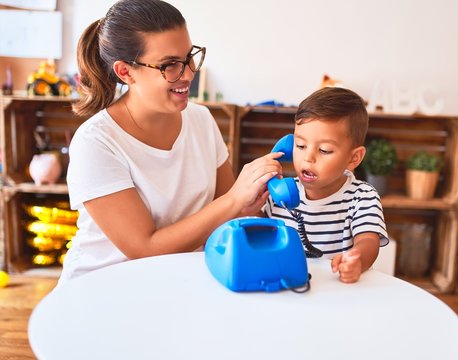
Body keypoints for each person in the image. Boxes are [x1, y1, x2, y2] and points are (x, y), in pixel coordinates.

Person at [58, 0, 281, 285]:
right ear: (126, 71)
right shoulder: (96, 143)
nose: (188, 73)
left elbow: (228, 216)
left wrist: (253, 202)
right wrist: (235, 199)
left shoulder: (200, 119)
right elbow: (145, 249)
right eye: (169, 65)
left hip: (180, 281)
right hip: (105, 287)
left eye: (189, 57)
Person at [264, 87, 389, 283]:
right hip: (289, 292)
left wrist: (357, 259)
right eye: (300, 146)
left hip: (338, 296)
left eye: (324, 150)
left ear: (354, 158)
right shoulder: (280, 194)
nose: (308, 157)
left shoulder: (362, 196)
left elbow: (368, 241)